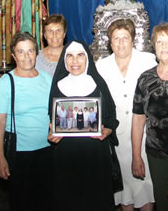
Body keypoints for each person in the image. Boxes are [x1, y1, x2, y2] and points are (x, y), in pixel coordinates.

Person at [48, 41, 119, 210]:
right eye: (70, 56)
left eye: (80, 55)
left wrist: (107, 129)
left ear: (87, 59)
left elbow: (111, 117)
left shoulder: (99, 84)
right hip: (66, 156)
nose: (75, 61)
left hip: (95, 155)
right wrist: (52, 133)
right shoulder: (58, 86)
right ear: (64, 61)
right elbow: (53, 119)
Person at [96, 19, 156, 211]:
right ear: (110, 42)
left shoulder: (148, 60)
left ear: (133, 40)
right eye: (116, 39)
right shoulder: (101, 65)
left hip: (144, 133)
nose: (121, 43)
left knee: (145, 185)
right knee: (124, 190)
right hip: (117, 136)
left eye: (125, 38)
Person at [0, 32, 53, 211]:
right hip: (19, 154)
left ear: (36, 53)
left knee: (45, 201)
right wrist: (0, 157)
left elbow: (53, 113)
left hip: (47, 150)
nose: (26, 56)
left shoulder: (46, 79)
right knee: (22, 202)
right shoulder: (5, 83)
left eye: (30, 51)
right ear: (13, 56)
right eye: (21, 52)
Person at [132, 23, 168, 211]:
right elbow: (138, 119)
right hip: (157, 154)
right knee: (164, 204)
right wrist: (136, 156)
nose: (164, 46)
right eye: (159, 42)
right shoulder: (145, 79)